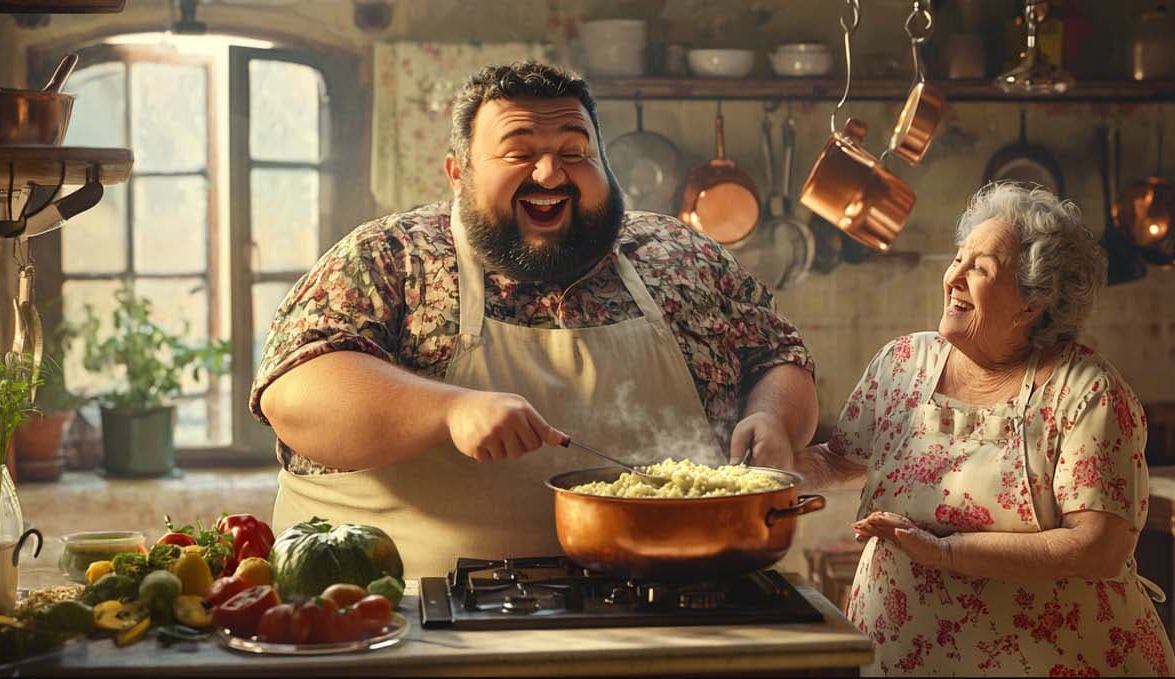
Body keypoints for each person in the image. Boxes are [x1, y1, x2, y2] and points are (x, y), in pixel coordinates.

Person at [252, 61, 817, 577]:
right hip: (404, 620)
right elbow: (295, 395)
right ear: (458, 172)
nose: (550, 174)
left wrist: (776, 422)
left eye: (575, 152)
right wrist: (447, 410)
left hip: (672, 602)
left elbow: (779, 357)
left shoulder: (682, 254)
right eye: (519, 152)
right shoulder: (390, 257)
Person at [771, 183, 1175, 676]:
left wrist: (945, 552)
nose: (954, 277)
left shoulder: (1086, 392)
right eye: (957, 259)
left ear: (1032, 303)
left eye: (979, 269)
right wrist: (775, 467)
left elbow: (1098, 548)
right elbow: (841, 457)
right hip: (905, 658)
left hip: (1060, 659)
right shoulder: (902, 363)